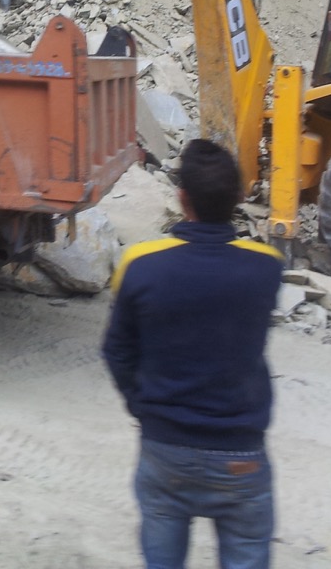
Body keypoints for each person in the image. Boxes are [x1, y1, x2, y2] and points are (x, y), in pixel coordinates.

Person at [102, 138, 285, 569]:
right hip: (242, 457)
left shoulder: (140, 265)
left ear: (181, 198)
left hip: (165, 449)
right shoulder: (267, 266)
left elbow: (117, 351)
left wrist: (143, 406)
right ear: (239, 199)